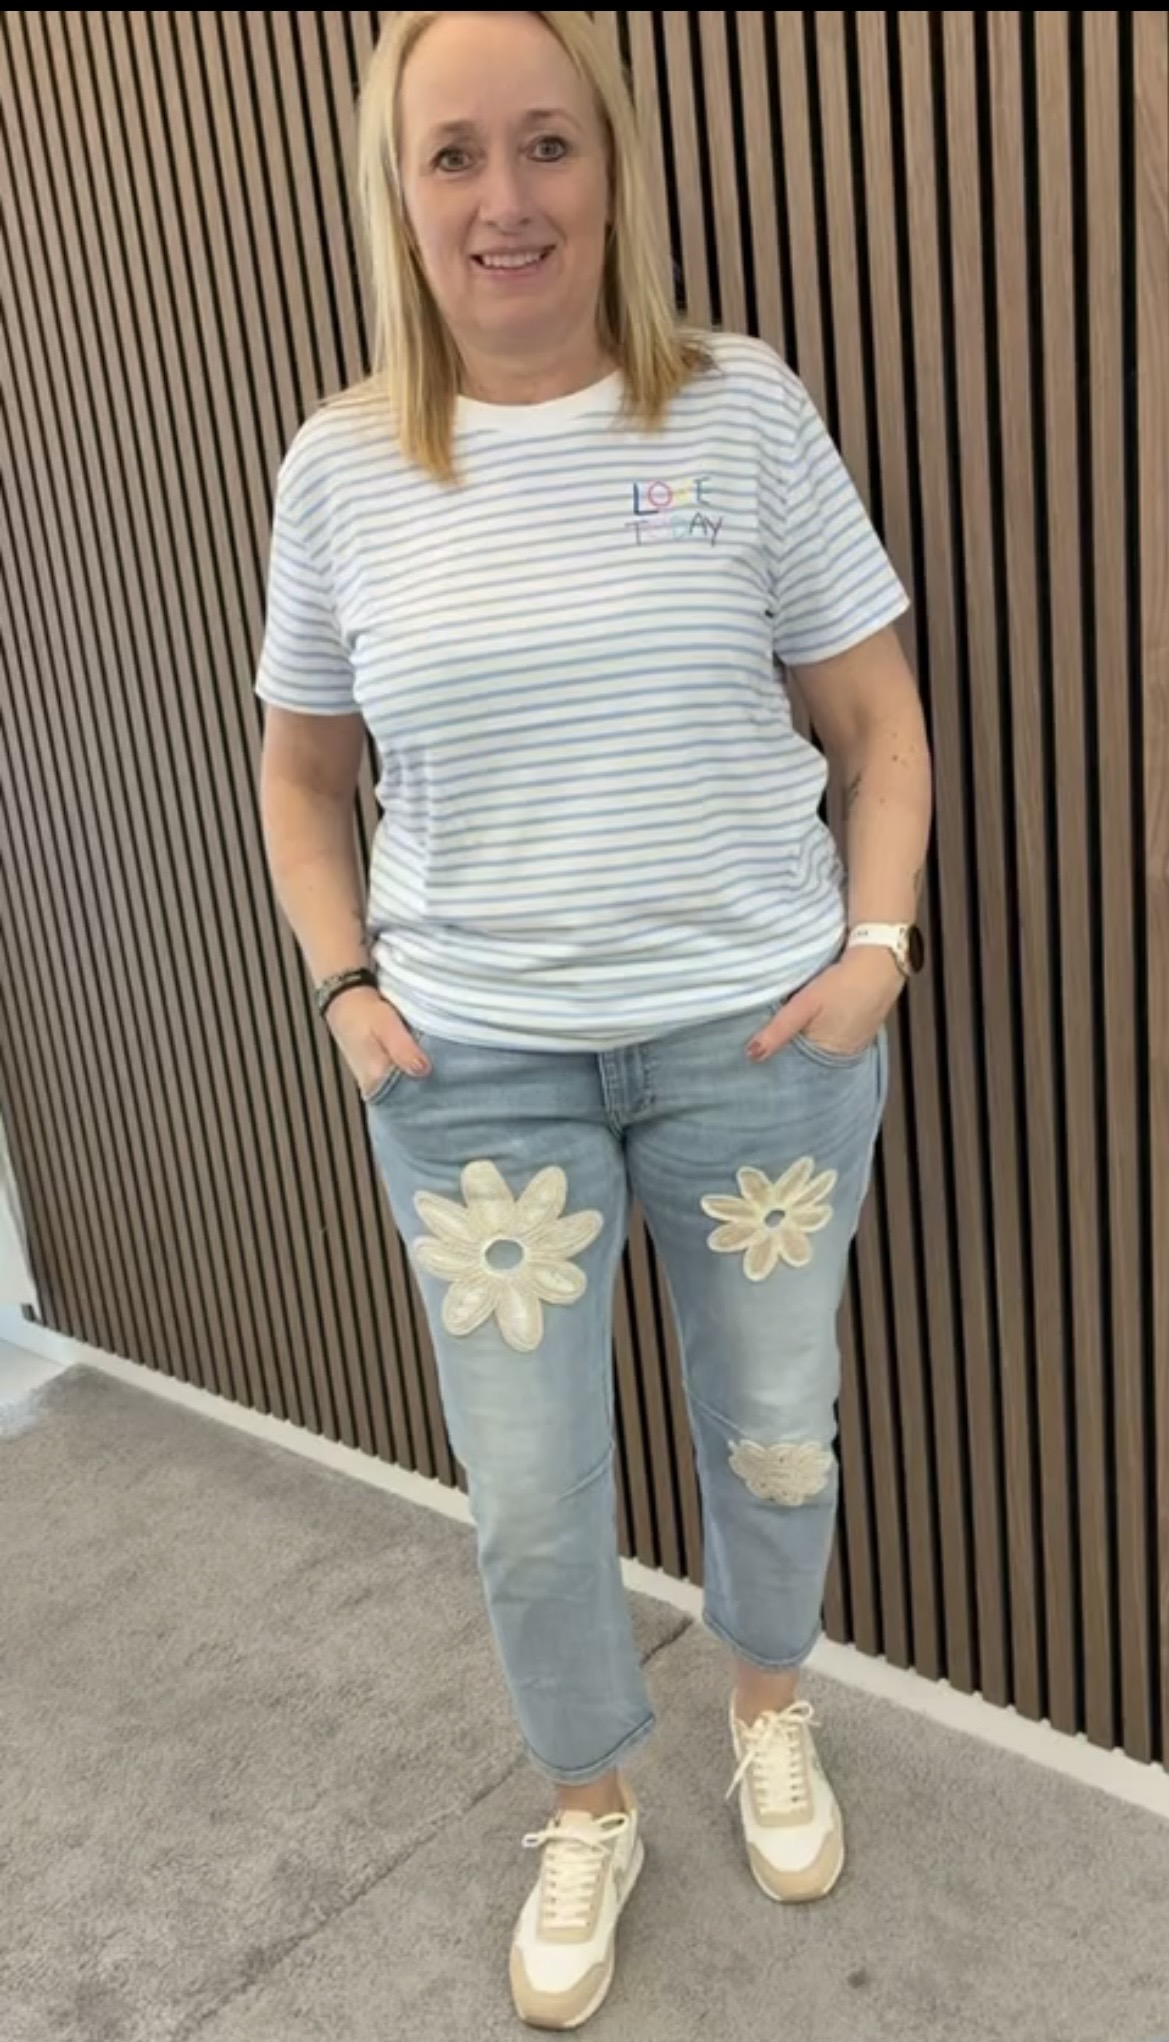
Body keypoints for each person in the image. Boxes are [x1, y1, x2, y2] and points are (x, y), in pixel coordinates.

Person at [256, 9, 932, 2029]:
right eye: (454, 154)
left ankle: (768, 1704)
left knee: (776, 1434)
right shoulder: (343, 464)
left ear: (610, 168)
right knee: (532, 1495)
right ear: (398, 193)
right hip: (472, 1074)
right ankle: (585, 1800)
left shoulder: (739, 410)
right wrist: (346, 984)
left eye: (547, 145)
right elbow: (301, 771)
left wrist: (877, 947)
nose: (507, 198)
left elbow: (877, 718)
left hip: (760, 1046)